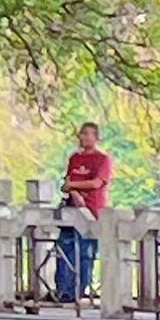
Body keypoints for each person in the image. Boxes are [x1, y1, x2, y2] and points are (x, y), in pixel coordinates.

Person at [53, 118, 111, 305]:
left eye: (88, 134)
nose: (84, 137)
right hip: (71, 210)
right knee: (65, 249)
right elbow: (67, 183)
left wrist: (74, 187)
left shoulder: (102, 159)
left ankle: (79, 290)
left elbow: (96, 183)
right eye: (81, 133)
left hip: (91, 210)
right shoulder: (74, 159)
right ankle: (63, 290)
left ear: (96, 137)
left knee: (85, 252)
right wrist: (74, 192)